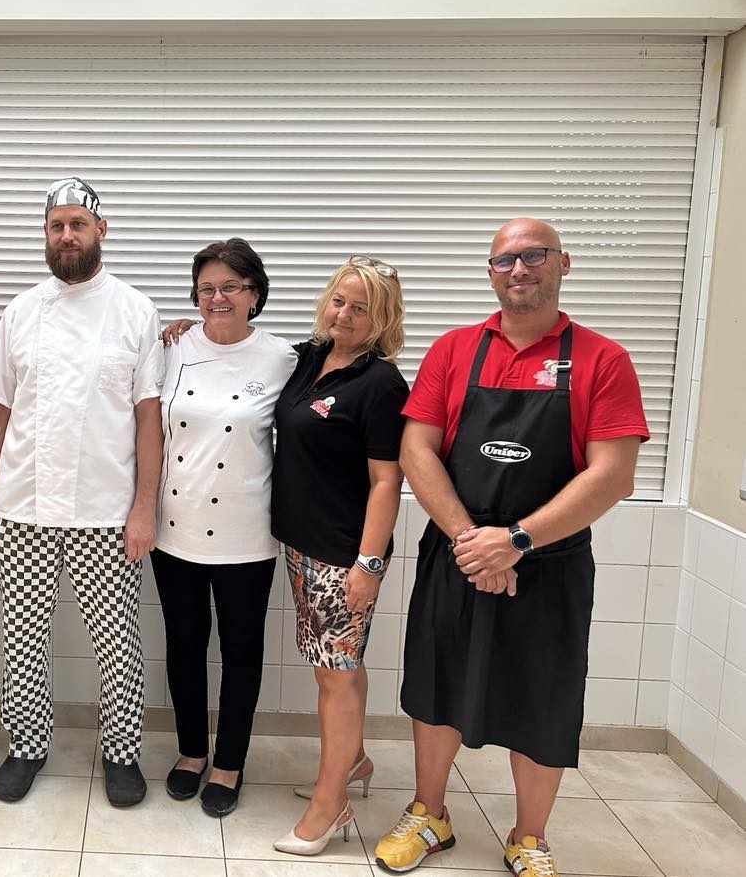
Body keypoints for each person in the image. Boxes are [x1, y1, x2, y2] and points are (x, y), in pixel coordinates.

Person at [373, 218, 648, 877]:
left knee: (543, 696)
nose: (519, 269)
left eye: (533, 256)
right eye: (504, 260)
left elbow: (613, 473)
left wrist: (519, 540)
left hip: (549, 563)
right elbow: (416, 451)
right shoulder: (454, 350)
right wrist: (475, 543)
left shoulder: (603, 360)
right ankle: (429, 815)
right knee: (435, 683)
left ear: (563, 263)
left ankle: (529, 838)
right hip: (458, 551)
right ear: (490, 272)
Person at [0, 177, 164, 807]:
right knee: (22, 639)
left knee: (117, 644)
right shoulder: (22, 310)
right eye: (57, 226)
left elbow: (149, 419)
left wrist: (144, 508)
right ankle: (26, 747)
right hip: (24, 506)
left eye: (78, 224)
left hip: (106, 510)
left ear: (100, 230)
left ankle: (122, 753)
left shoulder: (135, 310)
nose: (67, 235)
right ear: (46, 235)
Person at [268, 257, 409, 856]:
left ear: (383, 319)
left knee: (335, 675)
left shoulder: (381, 384)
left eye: (361, 308)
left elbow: (387, 481)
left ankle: (331, 807)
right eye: (339, 301)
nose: (344, 315)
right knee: (339, 666)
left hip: (343, 555)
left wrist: (368, 566)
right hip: (302, 546)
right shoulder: (310, 358)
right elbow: (243, 344)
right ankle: (353, 761)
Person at [153, 239, 295, 818]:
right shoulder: (170, 347)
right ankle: (191, 751)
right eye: (207, 288)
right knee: (184, 646)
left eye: (231, 287)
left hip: (247, 530)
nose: (218, 298)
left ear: (254, 293)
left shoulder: (283, 358)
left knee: (241, 651)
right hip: (175, 526)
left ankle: (229, 761)